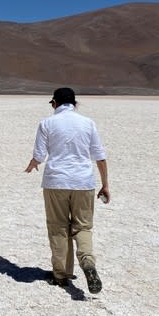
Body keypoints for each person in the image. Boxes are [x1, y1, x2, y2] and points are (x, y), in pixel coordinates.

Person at [24, 87, 109, 293]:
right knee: (83, 227)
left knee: (58, 228)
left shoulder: (46, 123)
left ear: (55, 103)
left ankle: (61, 275)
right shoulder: (88, 123)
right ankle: (87, 262)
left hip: (56, 183)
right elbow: (99, 156)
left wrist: (33, 163)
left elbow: (40, 154)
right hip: (83, 183)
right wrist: (105, 184)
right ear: (75, 104)